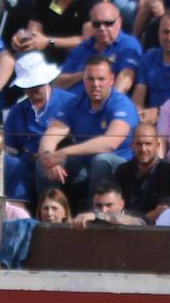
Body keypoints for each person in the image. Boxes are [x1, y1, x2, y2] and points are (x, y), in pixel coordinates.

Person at [37, 56, 139, 207]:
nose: (95, 84)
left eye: (101, 79)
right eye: (90, 79)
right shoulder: (75, 102)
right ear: (84, 80)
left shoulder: (121, 104)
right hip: (86, 169)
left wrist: (63, 153)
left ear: (111, 79)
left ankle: (94, 220)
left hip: (120, 169)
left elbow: (110, 143)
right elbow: (51, 135)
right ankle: (51, 215)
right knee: (43, 163)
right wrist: (48, 157)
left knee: (101, 160)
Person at [3, 53, 70, 187]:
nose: (32, 91)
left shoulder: (69, 103)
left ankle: (47, 206)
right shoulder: (16, 111)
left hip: (62, 159)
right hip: (25, 163)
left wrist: (50, 159)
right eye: (28, 88)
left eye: (36, 86)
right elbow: (10, 148)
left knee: (44, 165)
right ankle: (16, 203)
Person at [11, 0, 98, 66]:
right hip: (45, 58)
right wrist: (22, 39)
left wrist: (49, 41)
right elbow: (34, 32)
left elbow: (87, 40)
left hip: (75, 60)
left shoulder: (90, 1)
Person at [55, 1, 140, 93]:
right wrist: (84, 74)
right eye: (97, 24)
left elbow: (126, 80)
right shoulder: (84, 47)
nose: (102, 28)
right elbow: (58, 82)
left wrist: (108, 104)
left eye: (108, 23)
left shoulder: (128, 44)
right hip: (71, 102)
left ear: (119, 22)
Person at [115, 122, 170, 222]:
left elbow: (163, 210)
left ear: (157, 145)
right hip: (123, 228)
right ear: (131, 145)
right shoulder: (122, 171)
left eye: (148, 144)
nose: (143, 149)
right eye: (139, 144)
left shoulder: (167, 171)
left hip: (154, 230)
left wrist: (134, 222)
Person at [72, 180, 148, 225]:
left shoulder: (139, 217)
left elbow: (137, 223)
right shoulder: (88, 219)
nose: (104, 210)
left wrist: (99, 216)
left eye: (109, 205)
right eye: (98, 205)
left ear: (121, 204)